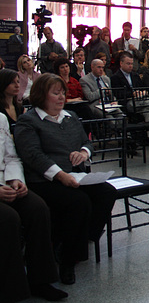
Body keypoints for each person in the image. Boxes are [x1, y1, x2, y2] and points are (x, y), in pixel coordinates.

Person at [14, 74, 117, 285]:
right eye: (55, 93)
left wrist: (83, 153)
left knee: (107, 192)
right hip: (44, 180)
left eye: (63, 93)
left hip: (74, 175)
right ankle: (68, 262)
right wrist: (60, 175)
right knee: (79, 202)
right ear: (41, 95)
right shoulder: (29, 121)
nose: (61, 97)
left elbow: (87, 143)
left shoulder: (70, 116)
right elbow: (33, 156)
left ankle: (77, 241)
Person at [1, 113, 68, 303]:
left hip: (5, 181)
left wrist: (15, 180)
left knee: (37, 208)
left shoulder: (1, 119)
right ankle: (6, 297)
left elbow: (10, 156)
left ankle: (39, 280)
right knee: (7, 219)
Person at [110, 51, 149, 122]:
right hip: (127, 102)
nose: (131, 66)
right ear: (121, 63)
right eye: (128, 64)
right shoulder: (115, 77)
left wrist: (143, 92)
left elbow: (142, 87)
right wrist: (132, 94)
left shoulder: (135, 75)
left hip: (139, 100)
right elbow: (118, 93)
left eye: (131, 64)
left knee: (148, 111)